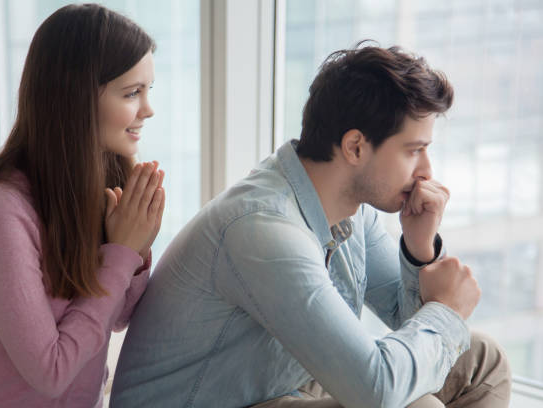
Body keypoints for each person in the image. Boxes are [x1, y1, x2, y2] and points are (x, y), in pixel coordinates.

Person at [111, 43, 511, 408]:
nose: (427, 172)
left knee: (480, 359)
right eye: (415, 151)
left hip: (276, 390)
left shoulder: (354, 208)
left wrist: (418, 250)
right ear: (355, 147)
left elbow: (410, 330)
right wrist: (446, 309)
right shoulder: (262, 230)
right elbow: (378, 390)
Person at [0, 4, 164, 407]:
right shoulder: (0, 212)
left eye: (148, 91)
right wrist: (123, 253)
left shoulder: (103, 183)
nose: (148, 109)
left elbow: (120, 314)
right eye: (132, 93)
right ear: (75, 99)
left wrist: (136, 245)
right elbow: (50, 371)